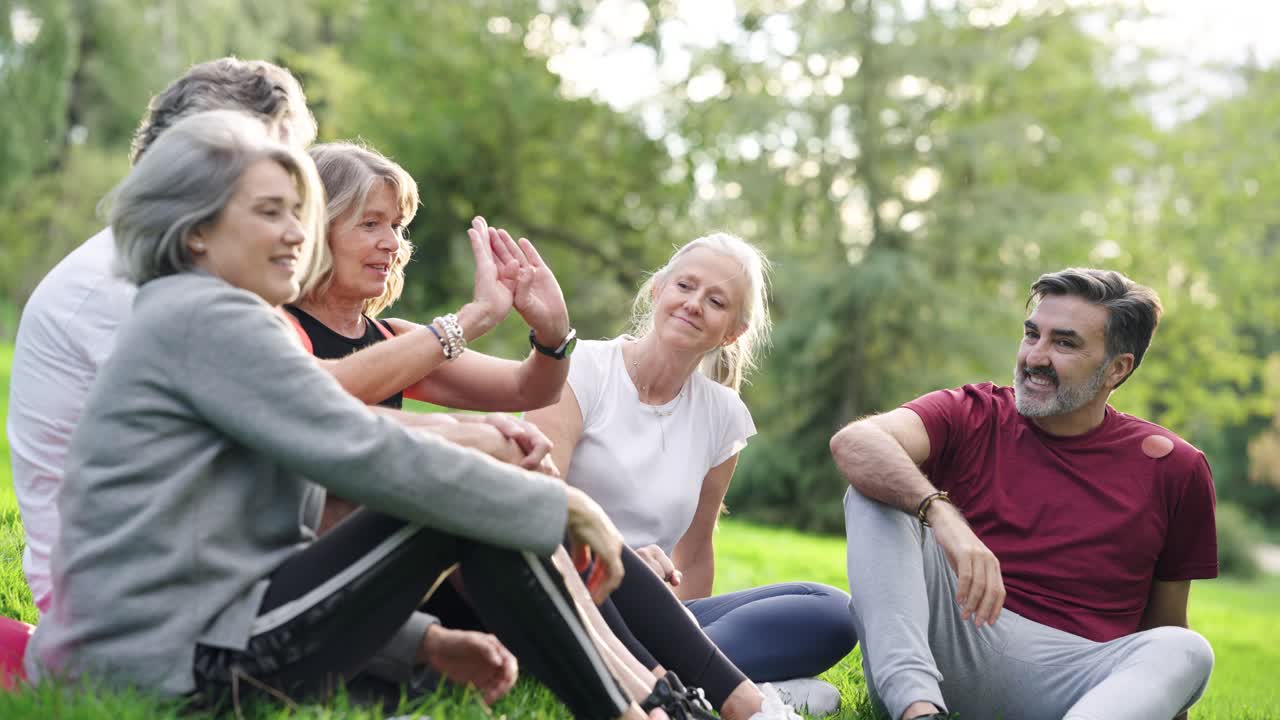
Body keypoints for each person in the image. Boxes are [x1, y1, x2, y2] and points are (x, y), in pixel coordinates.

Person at [23, 110, 650, 720]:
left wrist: (423, 643)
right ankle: (639, 708)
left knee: (465, 498)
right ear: (196, 233)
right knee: (458, 505)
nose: (297, 233)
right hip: (171, 666)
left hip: (173, 649)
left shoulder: (202, 313)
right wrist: (561, 506)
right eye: (270, 213)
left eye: (298, 213)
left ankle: (648, 700)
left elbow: (248, 544)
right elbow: (358, 446)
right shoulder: (205, 318)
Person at [280, 140, 806, 720]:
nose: (392, 243)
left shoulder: (391, 337)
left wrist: (553, 334)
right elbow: (318, 404)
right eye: (371, 224)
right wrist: (473, 330)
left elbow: (529, 388)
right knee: (525, 512)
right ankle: (668, 693)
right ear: (318, 227)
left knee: (820, 608)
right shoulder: (280, 334)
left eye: (398, 228)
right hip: (343, 576)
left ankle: (722, 701)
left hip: (418, 572)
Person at [830, 268, 1218, 720]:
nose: (1035, 356)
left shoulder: (1175, 467)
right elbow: (855, 442)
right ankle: (918, 713)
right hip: (952, 644)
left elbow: (1165, 626)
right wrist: (940, 512)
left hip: (1075, 679)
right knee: (878, 486)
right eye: (1032, 334)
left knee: (1188, 648)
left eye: (1064, 343)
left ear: (1117, 368)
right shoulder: (975, 413)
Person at [7, 57, 315, 617]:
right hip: (123, 597)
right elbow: (298, 420)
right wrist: (449, 340)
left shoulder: (183, 268)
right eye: (271, 156)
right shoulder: (121, 281)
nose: (289, 182)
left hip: (182, 554)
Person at [527, 233, 859, 715]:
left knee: (832, 610)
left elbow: (696, 550)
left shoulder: (723, 415)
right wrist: (620, 559)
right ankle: (730, 686)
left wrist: (671, 620)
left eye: (716, 301)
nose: (694, 303)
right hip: (570, 583)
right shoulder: (578, 369)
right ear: (658, 289)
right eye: (685, 285)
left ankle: (689, 673)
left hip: (649, 609)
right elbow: (535, 500)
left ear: (732, 333)